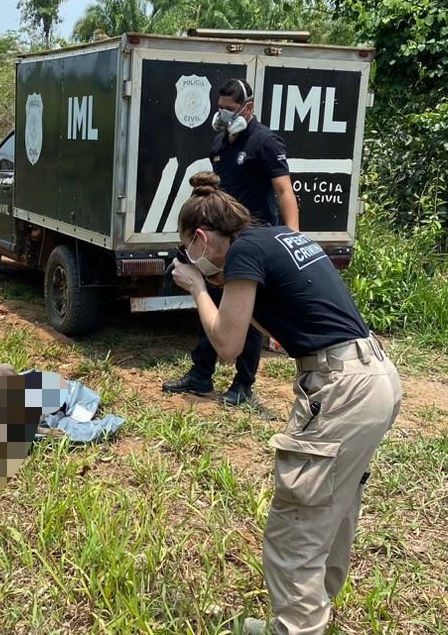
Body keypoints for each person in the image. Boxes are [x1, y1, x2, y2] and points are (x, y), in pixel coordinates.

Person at [170, 172, 402, 635]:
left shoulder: (243, 254)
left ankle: (297, 627)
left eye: (188, 248)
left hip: (342, 387)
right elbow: (267, 319)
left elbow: (228, 346)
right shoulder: (276, 238)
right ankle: (302, 620)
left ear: (199, 237)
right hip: (374, 376)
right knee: (330, 516)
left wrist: (197, 286)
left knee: (295, 530)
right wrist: (216, 284)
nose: (191, 257)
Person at [163, 78, 299, 406]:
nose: (223, 115)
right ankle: (200, 375)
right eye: (220, 108)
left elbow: (284, 191)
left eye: (229, 109)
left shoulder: (264, 142)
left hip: (255, 242)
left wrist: (292, 237)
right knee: (210, 302)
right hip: (222, 242)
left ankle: (242, 384)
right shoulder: (220, 145)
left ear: (248, 108)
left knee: (248, 314)